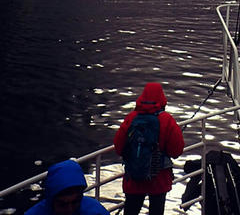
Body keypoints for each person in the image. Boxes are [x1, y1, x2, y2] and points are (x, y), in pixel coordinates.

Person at [114, 82, 184, 215]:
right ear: (162, 98)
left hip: (133, 177)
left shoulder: (131, 118)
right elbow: (176, 151)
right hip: (159, 178)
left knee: (131, 210)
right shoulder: (167, 120)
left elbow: (119, 147)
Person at [25, 159, 108, 215]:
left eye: (75, 202)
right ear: (52, 200)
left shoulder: (96, 212)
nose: (70, 210)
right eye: (62, 204)